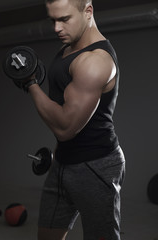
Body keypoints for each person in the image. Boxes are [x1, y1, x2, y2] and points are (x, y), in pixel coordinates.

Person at [26, 0, 126, 239]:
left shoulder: (95, 61)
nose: (56, 28)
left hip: (96, 164)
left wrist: (30, 84)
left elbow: (66, 127)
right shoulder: (68, 48)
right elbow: (64, 108)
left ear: (88, 11)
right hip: (62, 162)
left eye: (64, 19)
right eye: (53, 20)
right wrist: (59, 153)